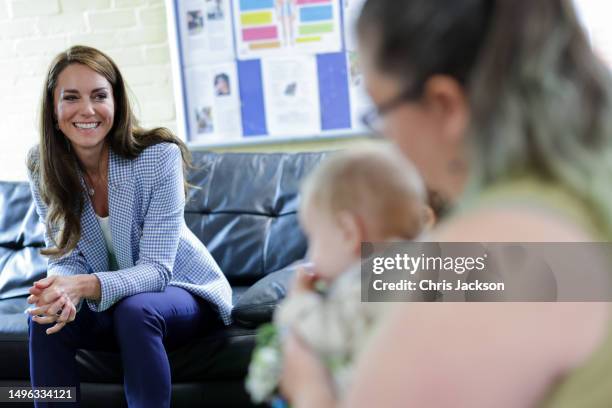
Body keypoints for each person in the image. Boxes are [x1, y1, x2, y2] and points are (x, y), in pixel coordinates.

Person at [279, 0, 612, 407]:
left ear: (444, 105)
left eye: (380, 110)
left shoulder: (497, 245)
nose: (384, 137)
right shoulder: (581, 196)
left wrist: (309, 385)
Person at [25, 45, 232, 408]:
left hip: (178, 288)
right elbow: (65, 254)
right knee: (45, 315)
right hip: (107, 301)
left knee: (135, 309)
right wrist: (60, 289)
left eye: (99, 96)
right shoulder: (42, 164)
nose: (87, 110)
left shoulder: (157, 156)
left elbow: (156, 270)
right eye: (71, 97)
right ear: (53, 110)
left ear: (116, 103)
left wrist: (83, 286)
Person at [245, 146, 433, 403]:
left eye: (313, 238)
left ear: (348, 233)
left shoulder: (364, 284)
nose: (311, 255)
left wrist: (298, 303)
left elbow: (324, 334)